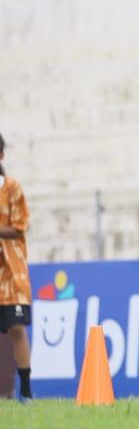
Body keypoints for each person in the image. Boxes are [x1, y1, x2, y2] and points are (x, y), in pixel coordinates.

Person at [0, 131, 33, 403]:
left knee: (17, 330)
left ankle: (25, 389)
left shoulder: (12, 189)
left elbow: (20, 227)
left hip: (11, 273)